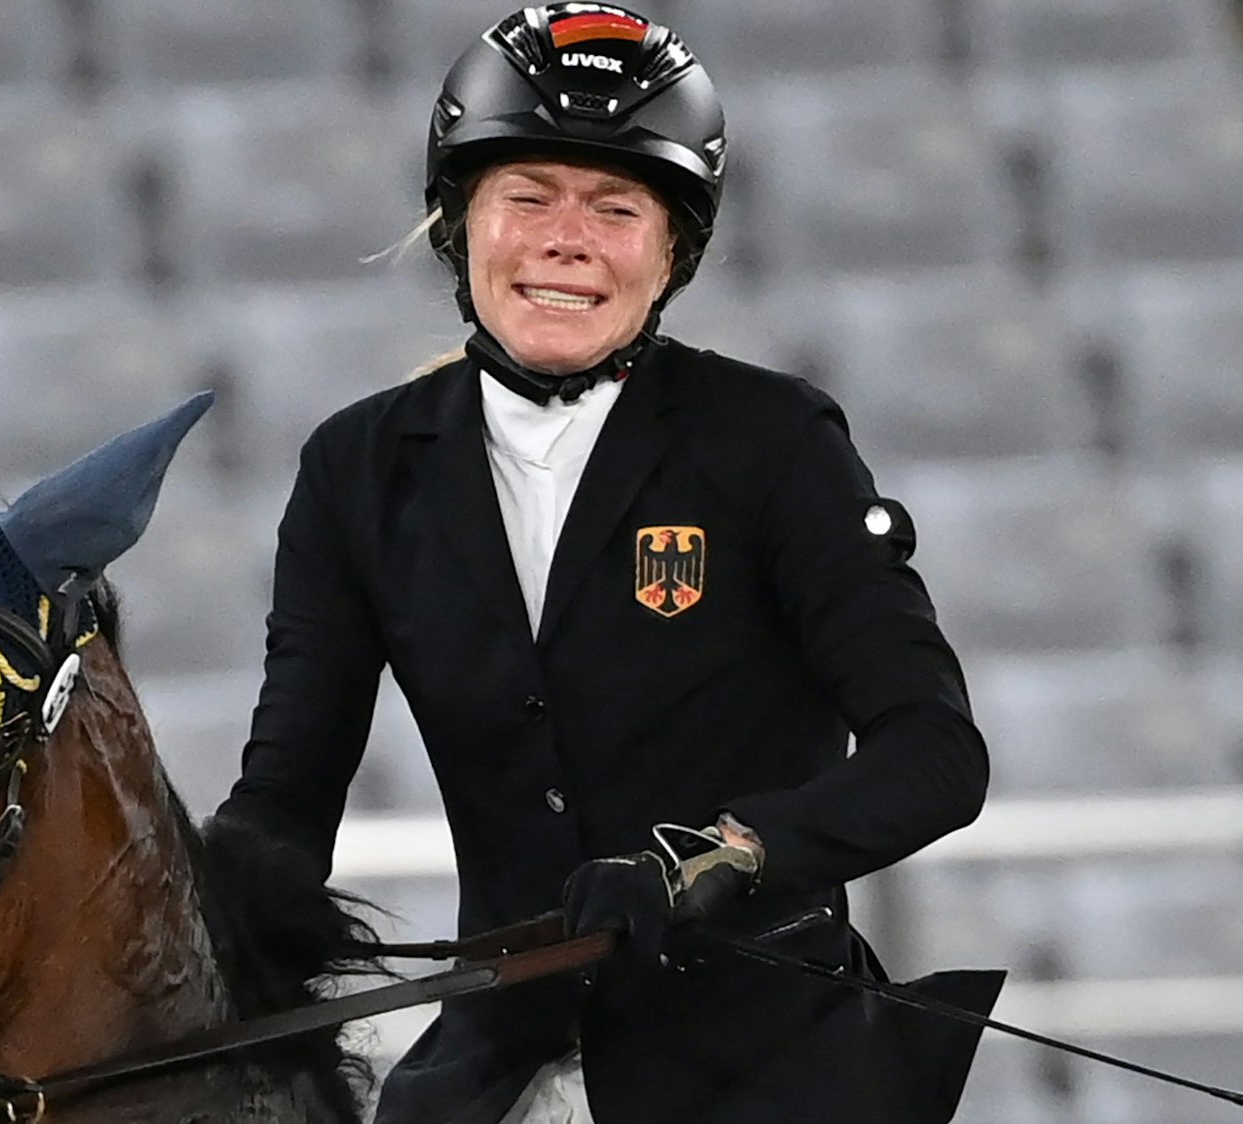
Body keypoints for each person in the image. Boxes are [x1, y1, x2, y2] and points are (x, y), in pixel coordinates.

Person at [212, 4, 1006, 1123]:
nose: (566, 238)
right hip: (493, 1065)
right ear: (458, 221)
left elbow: (934, 752)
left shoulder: (773, 442)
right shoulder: (358, 467)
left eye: (616, 207)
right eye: (528, 196)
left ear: (672, 250)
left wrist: (720, 856)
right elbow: (285, 799)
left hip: (766, 1066)